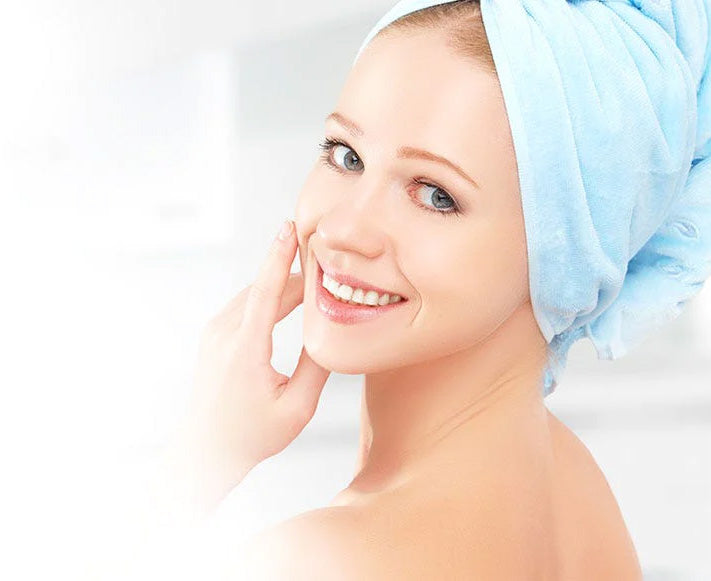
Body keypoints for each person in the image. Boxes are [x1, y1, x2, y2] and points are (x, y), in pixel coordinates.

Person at [162, 0, 711, 578]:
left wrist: (199, 464)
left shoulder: (320, 561)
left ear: (568, 247)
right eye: (346, 156)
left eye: (435, 195)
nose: (344, 230)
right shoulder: (573, 485)